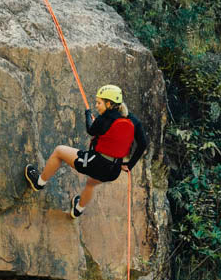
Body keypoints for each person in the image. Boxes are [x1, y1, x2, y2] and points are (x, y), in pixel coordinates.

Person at [24, 84, 149, 218]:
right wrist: (130, 164)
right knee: (91, 183)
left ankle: (39, 183)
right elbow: (142, 144)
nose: (96, 105)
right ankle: (77, 210)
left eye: (99, 103)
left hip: (95, 163)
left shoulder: (103, 118)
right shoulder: (133, 120)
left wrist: (88, 115)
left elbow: (91, 129)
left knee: (59, 151)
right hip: (114, 170)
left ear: (108, 104)